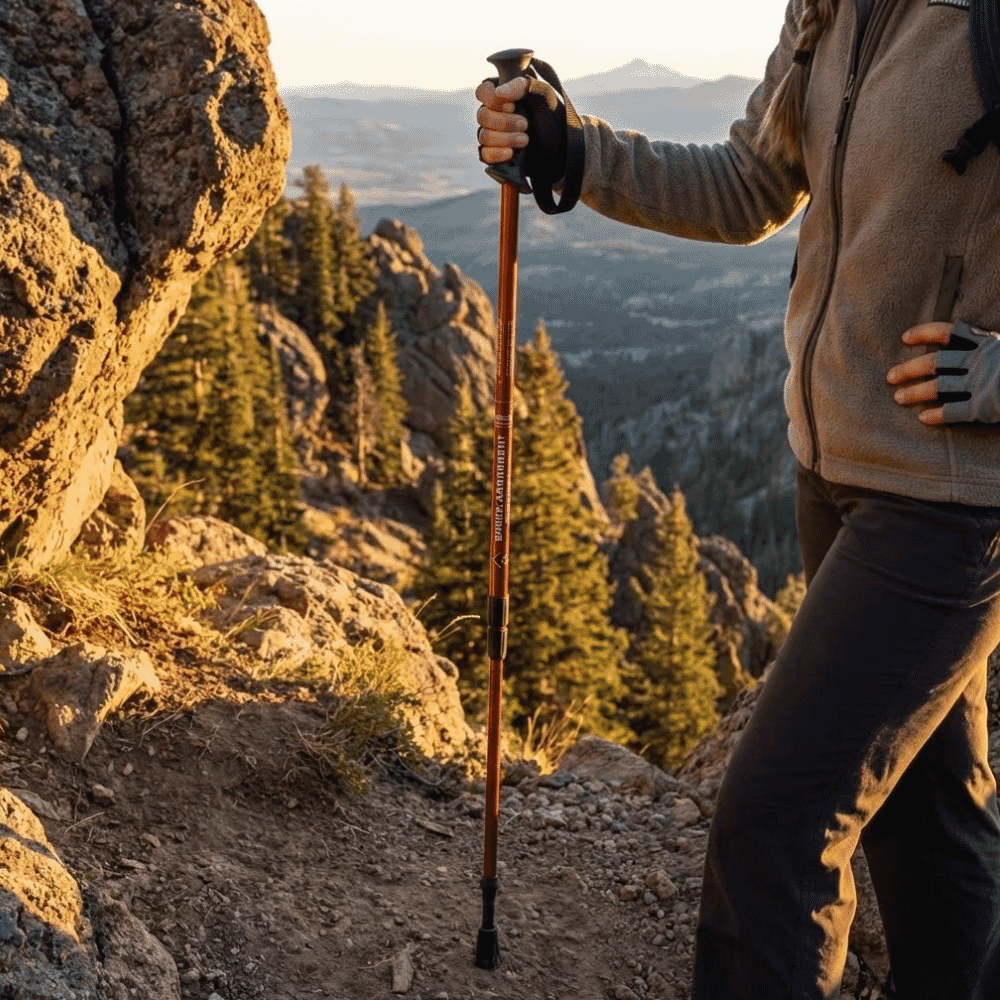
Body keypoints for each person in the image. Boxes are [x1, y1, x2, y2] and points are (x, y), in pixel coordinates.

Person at [475, 1, 1000, 998]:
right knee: (923, 820)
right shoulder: (831, 9)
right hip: (834, 474)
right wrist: (574, 152)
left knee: (774, 826)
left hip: (950, 506)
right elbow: (751, 182)